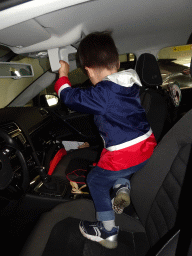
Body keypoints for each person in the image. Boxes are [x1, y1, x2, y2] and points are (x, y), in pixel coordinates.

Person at [54, 31, 157, 249]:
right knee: (110, 163)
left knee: (96, 180)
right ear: (118, 62)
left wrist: (63, 76)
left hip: (124, 154)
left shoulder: (103, 93)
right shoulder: (128, 84)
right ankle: (122, 188)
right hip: (145, 147)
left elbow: (69, 97)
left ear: (89, 71)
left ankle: (107, 231)